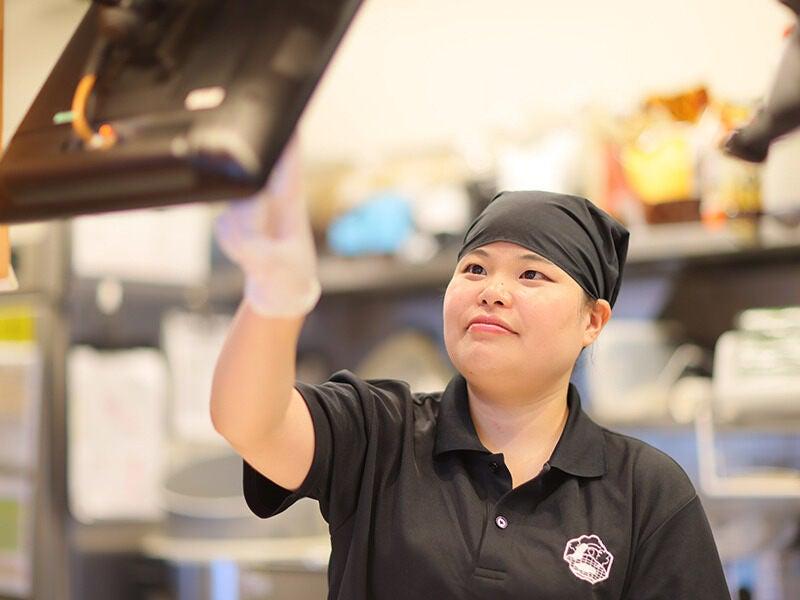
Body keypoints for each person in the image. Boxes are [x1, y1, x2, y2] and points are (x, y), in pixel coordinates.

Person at [210, 140, 730, 600]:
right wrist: (275, 292)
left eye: (531, 274)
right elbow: (251, 423)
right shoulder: (379, 434)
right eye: (475, 268)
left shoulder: (646, 491)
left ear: (592, 321)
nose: (492, 291)